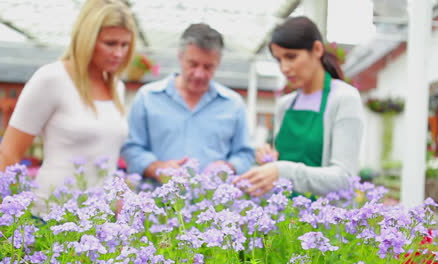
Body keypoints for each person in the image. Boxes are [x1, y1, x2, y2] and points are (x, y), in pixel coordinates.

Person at [0, 0, 137, 199]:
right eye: (110, 43)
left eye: (125, 44)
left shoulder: (117, 88)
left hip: (102, 221)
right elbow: (8, 153)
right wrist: (5, 218)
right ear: (86, 39)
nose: (119, 53)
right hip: (50, 216)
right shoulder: (52, 78)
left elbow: (107, 158)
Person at [234, 16, 364, 197]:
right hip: (285, 217)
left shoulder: (343, 99)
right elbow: (283, 161)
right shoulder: (285, 104)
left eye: (291, 57)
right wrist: (268, 158)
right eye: (279, 60)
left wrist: (282, 170)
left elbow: (344, 178)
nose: (284, 68)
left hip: (326, 220)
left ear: (317, 49)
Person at [120, 23, 254, 182]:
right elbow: (132, 148)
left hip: (213, 203)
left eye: (208, 67)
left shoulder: (233, 104)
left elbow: (245, 153)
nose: (199, 74)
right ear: (180, 57)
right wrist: (157, 168)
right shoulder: (147, 97)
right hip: (158, 202)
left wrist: (228, 167)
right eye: (193, 64)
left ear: (218, 62)